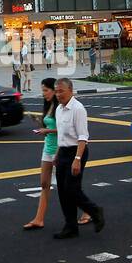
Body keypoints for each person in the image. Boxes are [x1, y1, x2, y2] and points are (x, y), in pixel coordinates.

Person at [23, 79, 90, 231]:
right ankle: (39, 219)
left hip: (61, 148)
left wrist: (48, 131)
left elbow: (69, 131)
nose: (44, 93)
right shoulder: (51, 106)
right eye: (43, 90)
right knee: (44, 183)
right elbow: (52, 124)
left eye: (46, 90)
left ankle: (88, 211)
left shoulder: (65, 107)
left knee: (70, 186)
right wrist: (40, 122)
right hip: (49, 147)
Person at [52, 78, 105, 239]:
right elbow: (61, 134)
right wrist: (56, 154)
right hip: (63, 152)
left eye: (61, 91)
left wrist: (77, 159)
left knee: (72, 189)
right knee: (62, 190)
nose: (58, 94)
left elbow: (83, 136)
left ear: (71, 91)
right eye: (56, 91)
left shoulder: (78, 109)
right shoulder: (59, 109)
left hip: (77, 151)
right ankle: (70, 226)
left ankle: (95, 211)